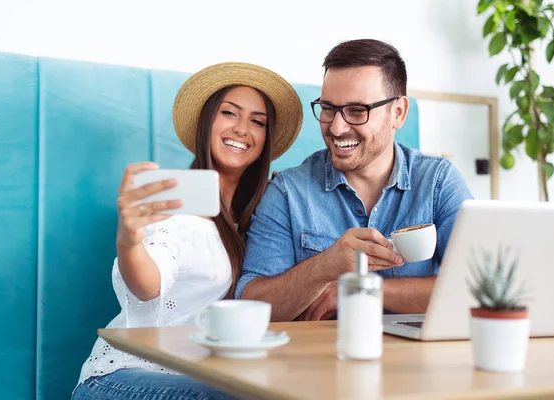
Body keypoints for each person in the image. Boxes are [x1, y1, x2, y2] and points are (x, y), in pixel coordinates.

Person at [72, 62, 303, 400]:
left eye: (257, 121)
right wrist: (129, 238)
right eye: (229, 113)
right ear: (207, 122)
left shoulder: (260, 219)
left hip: (203, 375)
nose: (242, 129)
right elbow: (148, 283)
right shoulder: (171, 207)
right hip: (120, 378)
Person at [236, 39, 473, 321]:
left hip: (416, 362)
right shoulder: (288, 192)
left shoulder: (437, 183)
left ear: (398, 112)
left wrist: (359, 291)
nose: (336, 127)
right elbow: (250, 307)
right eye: (328, 109)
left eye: (357, 111)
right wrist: (324, 267)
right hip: (319, 362)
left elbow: (478, 290)